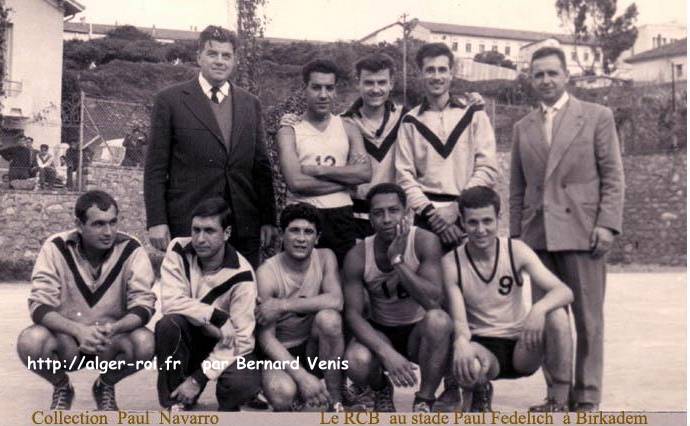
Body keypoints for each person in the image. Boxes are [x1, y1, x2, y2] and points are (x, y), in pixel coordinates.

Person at [509, 46, 624, 411]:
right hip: (538, 237)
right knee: (546, 319)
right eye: (538, 74)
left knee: (589, 320)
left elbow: (613, 177)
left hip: (582, 233)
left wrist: (606, 225)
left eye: (551, 73)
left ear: (566, 75)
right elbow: (517, 188)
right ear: (531, 79)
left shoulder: (596, 116)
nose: (545, 80)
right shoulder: (521, 127)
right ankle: (557, 396)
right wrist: (516, 241)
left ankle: (587, 396)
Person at [145, 25, 276, 267]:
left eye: (226, 55)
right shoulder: (170, 100)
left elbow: (261, 166)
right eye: (212, 54)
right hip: (191, 222)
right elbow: (155, 166)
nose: (219, 61)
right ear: (199, 57)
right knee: (191, 295)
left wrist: (268, 219)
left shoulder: (250, 104)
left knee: (242, 293)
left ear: (235, 60)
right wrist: (156, 220)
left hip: (242, 222)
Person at [16, 190, 157, 411]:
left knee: (145, 342)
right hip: (68, 341)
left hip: (109, 340)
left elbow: (144, 305)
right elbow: (39, 306)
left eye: (113, 222)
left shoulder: (131, 249)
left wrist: (113, 328)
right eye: (98, 224)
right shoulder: (55, 247)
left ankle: (105, 384)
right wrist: (79, 331)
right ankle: (62, 386)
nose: (108, 232)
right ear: (79, 225)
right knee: (30, 341)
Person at [442, 186, 573, 412]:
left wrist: (538, 309)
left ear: (498, 219)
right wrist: (461, 343)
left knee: (557, 315)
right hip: (483, 347)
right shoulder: (452, 262)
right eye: (473, 222)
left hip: (522, 347)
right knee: (466, 359)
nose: (481, 229)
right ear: (462, 222)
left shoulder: (516, 250)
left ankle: (559, 400)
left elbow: (564, 291)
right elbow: (461, 324)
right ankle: (478, 393)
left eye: (487, 221)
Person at [342, 183, 451, 412]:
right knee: (355, 360)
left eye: (393, 210)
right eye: (378, 213)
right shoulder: (358, 254)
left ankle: (424, 398)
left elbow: (433, 302)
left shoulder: (424, 241)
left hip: (418, 332)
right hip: (383, 329)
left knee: (439, 321)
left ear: (407, 213)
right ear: (370, 219)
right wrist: (386, 352)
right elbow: (352, 315)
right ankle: (380, 388)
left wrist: (397, 261)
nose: (387, 219)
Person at [155, 197, 262, 411]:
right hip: (192, 337)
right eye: (196, 230)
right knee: (168, 325)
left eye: (209, 231)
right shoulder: (178, 249)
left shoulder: (243, 275)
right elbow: (170, 302)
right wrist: (217, 317)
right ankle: (176, 401)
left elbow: (241, 340)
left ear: (227, 233)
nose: (200, 239)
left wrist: (198, 379)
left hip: (227, 345)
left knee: (241, 384)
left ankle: (224, 404)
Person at [395, 43, 498, 250]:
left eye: (442, 69)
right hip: (426, 217)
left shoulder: (474, 114)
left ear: (452, 73)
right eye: (430, 70)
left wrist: (457, 207)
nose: (436, 76)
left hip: (467, 213)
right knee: (428, 279)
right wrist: (434, 217)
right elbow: (404, 176)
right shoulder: (410, 121)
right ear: (420, 74)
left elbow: (487, 168)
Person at [277, 59, 371, 264]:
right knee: (299, 283)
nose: (323, 94)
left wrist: (317, 170)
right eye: (316, 87)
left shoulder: (348, 128)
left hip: (341, 217)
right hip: (301, 217)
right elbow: (296, 183)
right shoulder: (290, 130)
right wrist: (346, 181)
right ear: (305, 89)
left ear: (335, 90)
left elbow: (364, 174)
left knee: (341, 281)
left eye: (329, 88)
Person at [256, 202, 345, 412]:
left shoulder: (325, 257)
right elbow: (266, 338)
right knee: (281, 393)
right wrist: (302, 377)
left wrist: (283, 305)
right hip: (281, 351)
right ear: (282, 234)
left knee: (329, 319)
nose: (301, 238)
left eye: (308, 232)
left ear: (317, 237)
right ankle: (300, 391)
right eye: (294, 231)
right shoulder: (267, 273)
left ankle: (335, 398)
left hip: (313, 347)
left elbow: (336, 300)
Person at [340, 53, 408, 239]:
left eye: (382, 82)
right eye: (369, 82)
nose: (376, 89)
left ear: (391, 83)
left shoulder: (406, 117)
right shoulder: (342, 122)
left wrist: (472, 105)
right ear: (358, 83)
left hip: (394, 216)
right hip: (356, 217)